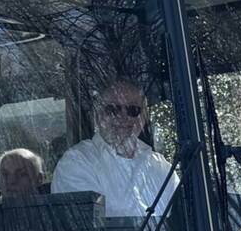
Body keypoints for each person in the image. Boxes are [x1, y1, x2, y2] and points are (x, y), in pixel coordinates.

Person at [52, 77, 179, 220]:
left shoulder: (161, 168)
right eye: (113, 109)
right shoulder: (77, 162)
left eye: (133, 110)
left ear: (143, 117)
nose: (123, 116)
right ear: (98, 114)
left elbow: (182, 223)